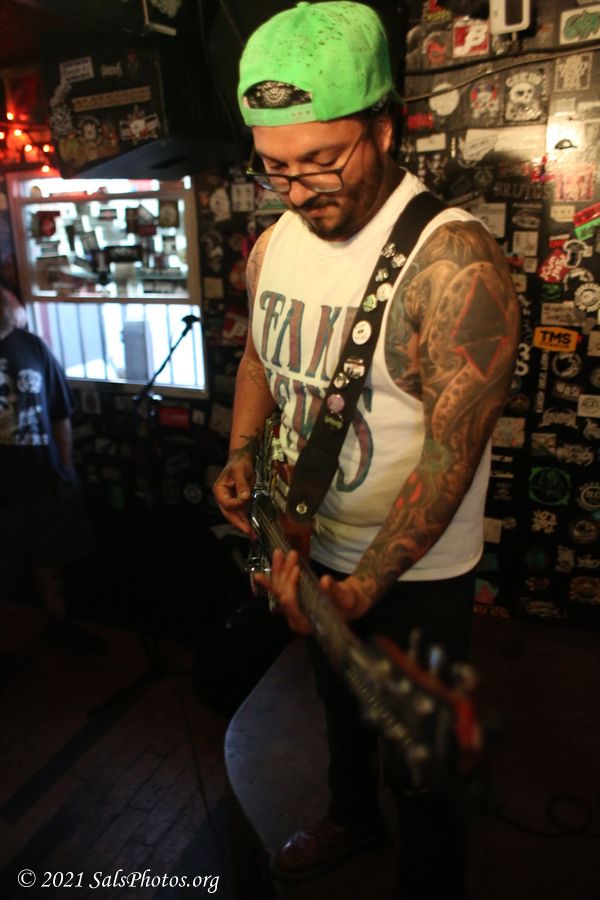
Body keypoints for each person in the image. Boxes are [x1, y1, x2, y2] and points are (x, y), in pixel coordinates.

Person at [212, 3, 520, 897]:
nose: (299, 189)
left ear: (384, 127)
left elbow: (451, 457)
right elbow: (260, 361)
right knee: (338, 710)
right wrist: (242, 453)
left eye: (323, 160)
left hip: (415, 575)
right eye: (276, 167)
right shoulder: (274, 242)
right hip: (310, 545)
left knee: (424, 758)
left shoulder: (453, 263)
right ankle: (351, 819)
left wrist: (364, 587)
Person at [0, 281, 102, 653]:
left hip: (42, 478)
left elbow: (60, 413)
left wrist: (65, 469)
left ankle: (60, 623)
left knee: (51, 562)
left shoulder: (32, 346)